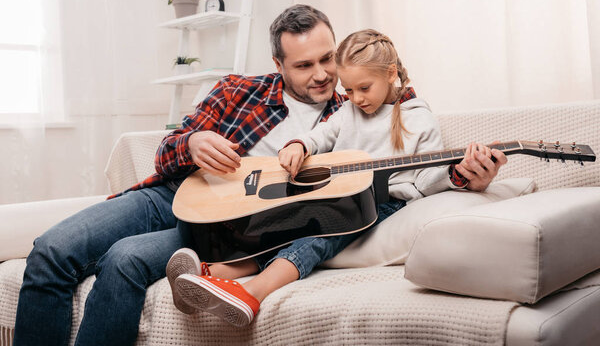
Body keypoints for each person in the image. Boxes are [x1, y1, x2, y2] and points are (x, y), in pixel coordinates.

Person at [167, 28, 508, 327]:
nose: (356, 98)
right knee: (290, 222)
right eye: (349, 89)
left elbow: (426, 180)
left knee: (318, 235)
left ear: (391, 74)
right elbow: (322, 136)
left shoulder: (418, 119)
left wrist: (459, 175)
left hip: (384, 203)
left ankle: (252, 293)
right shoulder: (349, 110)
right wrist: (300, 144)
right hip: (339, 193)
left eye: (364, 87)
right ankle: (211, 276)